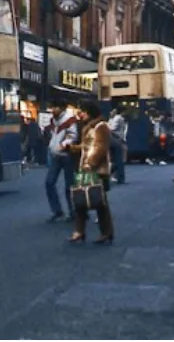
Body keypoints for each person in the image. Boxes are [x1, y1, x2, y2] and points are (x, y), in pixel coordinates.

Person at [70, 100, 115, 244]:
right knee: (80, 200)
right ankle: (80, 231)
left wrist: (91, 162)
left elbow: (101, 147)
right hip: (85, 167)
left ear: (89, 111)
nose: (80, 114)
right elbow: (86, 146)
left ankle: (105, 232)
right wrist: (71, 148)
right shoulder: (90, 126)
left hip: (96, 169)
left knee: (99, 202)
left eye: (82, 111)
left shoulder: (101, 127)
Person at [43, 99, 79, 222]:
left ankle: (73, 211)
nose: (52, 110)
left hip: (67, 155)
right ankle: (57, 210)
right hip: (55, 154)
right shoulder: (53, 120)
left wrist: (63, 145)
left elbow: (73, 136)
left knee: (69, 185)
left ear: (62, 108)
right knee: (49, 182)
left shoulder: (69, 119)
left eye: (54, 107)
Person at [106, 106, 128, 184]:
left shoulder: (117, 118)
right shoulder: (115, 118)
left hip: (116, 140)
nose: (111, 112)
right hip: (115, 140)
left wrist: (106, 126)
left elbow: (112, 129)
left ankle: (118, 177)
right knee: (116, 160)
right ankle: (117, 176)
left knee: (117, 160)